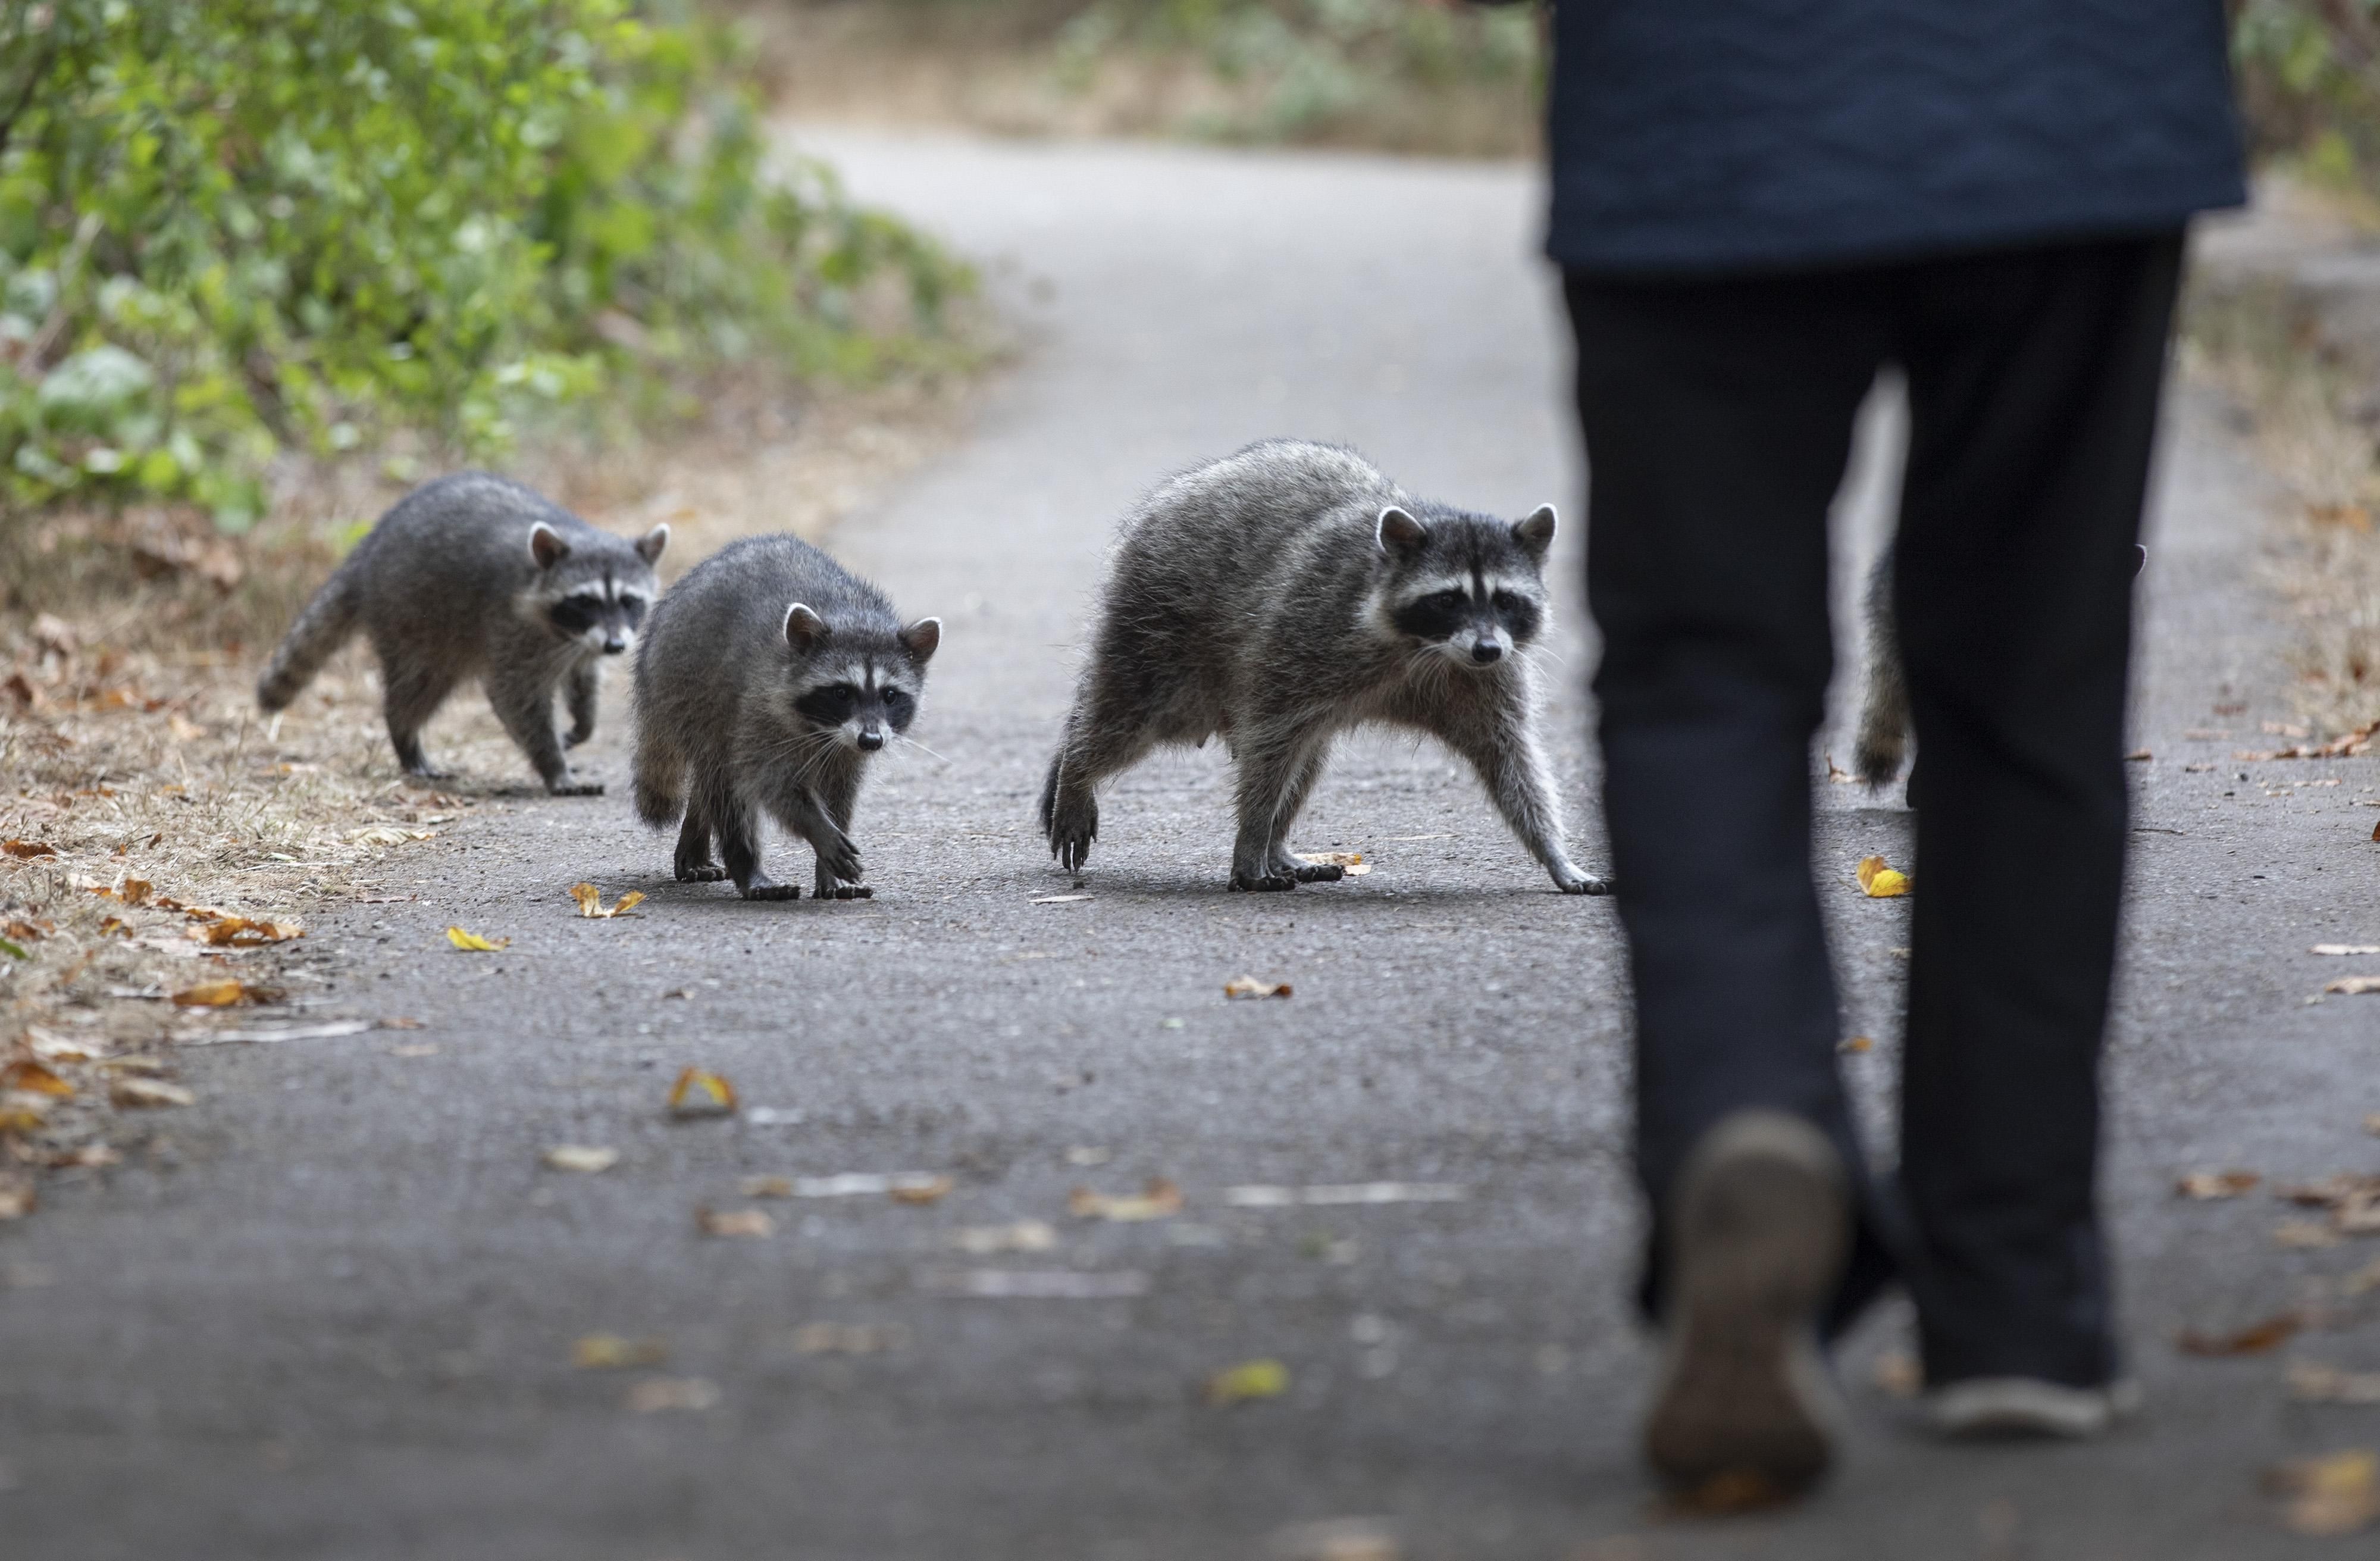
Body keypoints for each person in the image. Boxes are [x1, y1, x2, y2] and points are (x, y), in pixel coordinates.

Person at [1540, 2, 2247, 1500]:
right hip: (2074, 95)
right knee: (2028, 681)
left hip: (1697, 105)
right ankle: (2014, 1307)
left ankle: (1749, 1108)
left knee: (1701, 673)